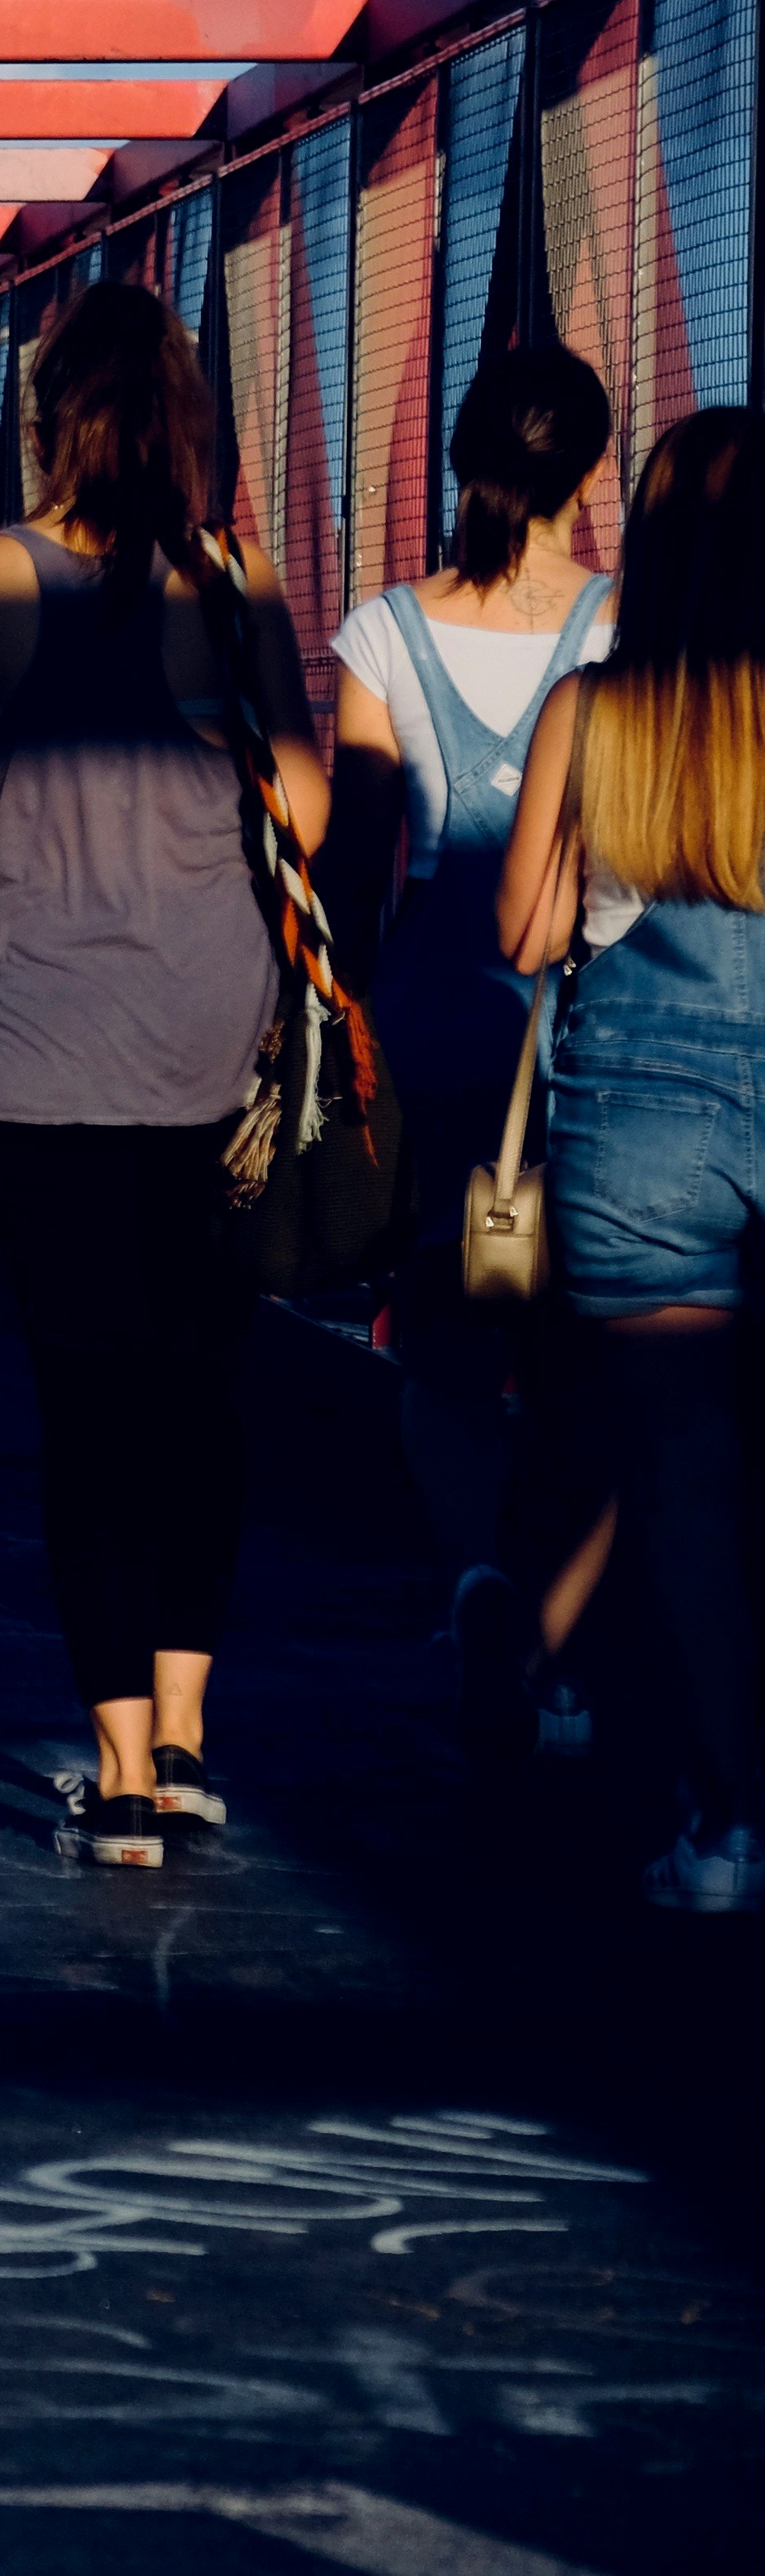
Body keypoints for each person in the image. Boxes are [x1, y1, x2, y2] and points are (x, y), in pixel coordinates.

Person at [0, 279, 326, 1872]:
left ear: (45, 417)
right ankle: (197, 1736)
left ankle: (121, 1771)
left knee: (87, 1413)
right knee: (200, 1399)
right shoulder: (240, 584)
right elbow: (316, 820)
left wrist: (10, 735)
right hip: (217, 1063)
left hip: (37, 1068)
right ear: (187, 425)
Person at [324, 344, 620, 1776]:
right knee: (571, 1347)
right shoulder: (623, 634)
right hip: (579, 1032)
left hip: (434, 1021)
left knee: (444, 1343)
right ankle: (565, 1654)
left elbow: (353, 851)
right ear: (593, 472)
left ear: (460, 464)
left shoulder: (386, 632)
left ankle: (472, 1583)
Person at [500, 406, 765, 1910]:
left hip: (642, 1132)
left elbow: (525, 933)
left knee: (682, 1482)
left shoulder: (592, 716)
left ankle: (730, 1831)